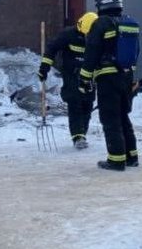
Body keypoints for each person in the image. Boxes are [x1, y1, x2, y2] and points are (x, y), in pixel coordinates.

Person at [79, 0, 140, 171]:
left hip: (108, 78)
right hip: (126, 76)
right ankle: (131, 156)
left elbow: (92, 53)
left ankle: (116, 160)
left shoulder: (101, 23)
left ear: (101, 3)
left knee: (110, 118)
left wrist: (84, 79)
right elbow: (136, 52)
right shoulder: (128, 22)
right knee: (123, 116)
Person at [38, 11, 98, 149]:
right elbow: (52, 49)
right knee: (74, 102)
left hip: (89, 76)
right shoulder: (68, 34)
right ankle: (78, 136)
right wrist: (44, 68)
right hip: (72, 75)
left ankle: (82, 133)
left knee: (87, 104)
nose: (86, 37)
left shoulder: (97, 36)